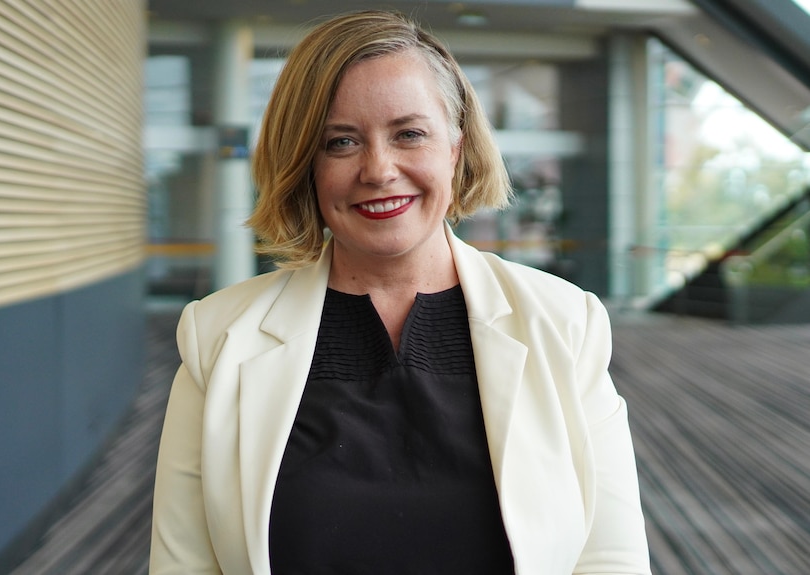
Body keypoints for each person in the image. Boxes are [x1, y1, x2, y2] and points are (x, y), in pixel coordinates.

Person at [150, 9, 650, 575]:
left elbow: (609, 560)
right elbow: (184, 566)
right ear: (305, 167)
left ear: (456, 149)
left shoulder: (565, 323)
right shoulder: (218, 338)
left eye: (409, 134)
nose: (379, 169)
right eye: (340, 142)